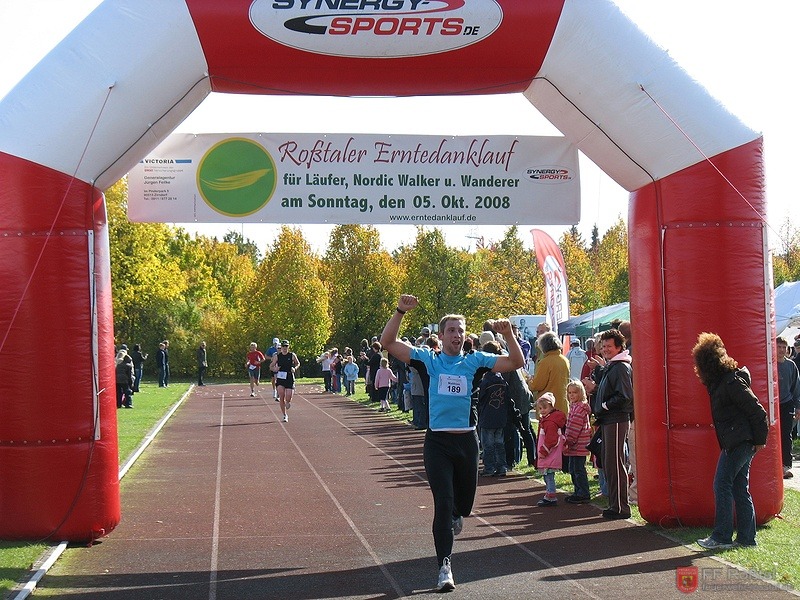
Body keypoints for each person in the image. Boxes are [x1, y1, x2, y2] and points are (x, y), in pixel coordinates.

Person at [380, 294, 523, 593]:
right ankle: (444, 567)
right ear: (442, 336)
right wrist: (400, 312)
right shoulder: (428, 360)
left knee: (464, 506)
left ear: (465, 336)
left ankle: (458, 513)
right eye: (451, 330)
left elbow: (516, 362)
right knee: (443, 503)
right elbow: (388, 342)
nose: (456, 335)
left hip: (467, 442)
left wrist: (508, 334)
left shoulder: (475, 361)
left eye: (460, 330)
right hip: (438, 443)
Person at [692, 332, 768, 549]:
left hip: (739, 441)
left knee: (722, 484)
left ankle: (722, 536)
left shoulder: (729, 382)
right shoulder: (727, 381)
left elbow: (757, 411)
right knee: (738, 487)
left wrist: (759, 440)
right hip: (741, 441)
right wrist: (758, 441)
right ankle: (746, 538)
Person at [582, 329, 633, 519]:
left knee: (615, 463)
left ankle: (620, 507)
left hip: (617, 419)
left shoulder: (620, 367)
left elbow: (625, 396)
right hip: (609, 419)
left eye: (609, 346)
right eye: (603, 346)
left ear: (619, 347)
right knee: (610, 463)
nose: (605, 349)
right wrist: (596, 390)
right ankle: (615, 505)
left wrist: (604, 405)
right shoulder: (614, 366)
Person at [477, 340, 510, 477]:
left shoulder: (485, 381)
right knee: (499, 443)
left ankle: (489, 467)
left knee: (488, 444)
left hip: (487, 417)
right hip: (500, 416)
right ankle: (501, 466)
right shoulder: (502, 380)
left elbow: (480, 399)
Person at [527, 331, 570, 415]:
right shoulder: (564, 360)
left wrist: (529, 381)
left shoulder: (545, 362)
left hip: (548, 406)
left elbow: (537, 385)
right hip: (562, 404)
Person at [563, 380, 593, 503]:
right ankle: (578, 491)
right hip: (573, 444)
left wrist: (569, 440)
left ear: (580, 393)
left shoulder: (580, 408)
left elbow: (575, 427)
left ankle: (583, 493)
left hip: (578, 444)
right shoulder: (573, 406)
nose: (571, 395)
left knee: (578, 469)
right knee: (573, 469)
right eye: (569, 393)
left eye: (574, 392)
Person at [535, 392, 566, 506]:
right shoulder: (547, 420)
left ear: (551, 407)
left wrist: (544, 451)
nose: (542, 411)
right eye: (540, 408)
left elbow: (551, 439)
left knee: (549, 476)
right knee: (547, 475)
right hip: (549, 454)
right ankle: (549, 494)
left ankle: (551, 496)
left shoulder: (550, 422)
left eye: (545, 408)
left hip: (549, 454)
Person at [776, 337, 800, 479]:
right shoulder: (770, 364)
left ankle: (785, 465)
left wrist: (798, 406)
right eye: (779, 347)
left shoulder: (791, 365)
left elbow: (796, 387)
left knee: (786, 434)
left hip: (786, 403)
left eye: (784, 347)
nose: (781, 350)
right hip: (772, 404)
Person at [272, 340, 300, 422]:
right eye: (283, 346)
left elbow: (298, 363)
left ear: (288, 347)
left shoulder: (292, 355)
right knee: (281, 395)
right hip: (281, 377)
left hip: (289, 376)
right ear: (281, 347)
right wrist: (275, 368)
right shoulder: (277, 356)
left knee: (288, 396)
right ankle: (284, 415)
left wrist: (294, 368)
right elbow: (271, 366)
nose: (284, 348)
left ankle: (288, 402)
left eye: (286, 346)